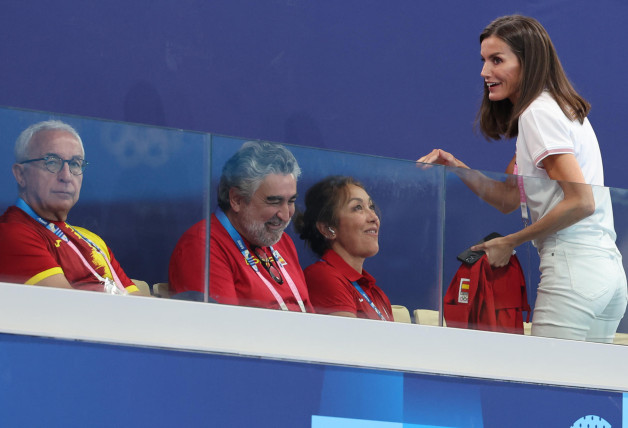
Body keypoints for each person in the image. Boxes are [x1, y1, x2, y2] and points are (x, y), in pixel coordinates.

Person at [418, 15, 627, 343]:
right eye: (484, 60)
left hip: (572, 270)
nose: (485, 72)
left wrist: (510, 241)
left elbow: (581, 201)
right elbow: (507, 198)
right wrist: (458, 167)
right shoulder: (557, 109)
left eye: (497, 60)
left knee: (548, 387)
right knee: (581, 392)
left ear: (528, 64)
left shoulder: (537, 114)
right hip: (607, 274)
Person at [169, 141, 314, 312]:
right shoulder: (203, 245)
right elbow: (223, 329)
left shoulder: (282, 242)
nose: (285, 215)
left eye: (291, 201)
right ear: (237, 199)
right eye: (274, 202)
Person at [0, 120, 139, 295]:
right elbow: (69, 310)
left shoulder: (93, 240)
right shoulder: (10, 233)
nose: (66, 176)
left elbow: (142, 306)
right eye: (52, 162)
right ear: (21, 174)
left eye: (74, 164)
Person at [294, 176, 393, 321]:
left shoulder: (377, 293)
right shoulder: (322, 276)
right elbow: (348, 341)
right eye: (357, 208)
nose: (374, 217)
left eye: (371, 207)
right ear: (328, 229)